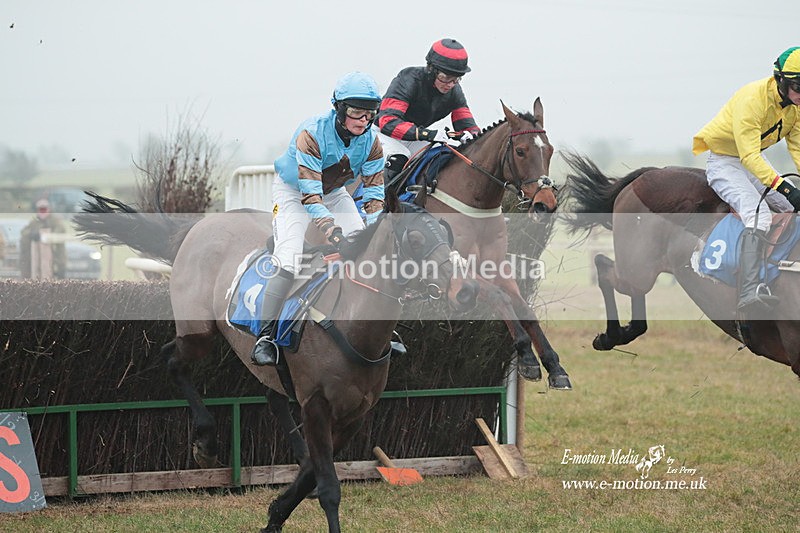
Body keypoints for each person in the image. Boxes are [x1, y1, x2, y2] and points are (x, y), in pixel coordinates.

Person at [251, 71, 386, 366]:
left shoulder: (372, 142)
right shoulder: (311, 133)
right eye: (356, 112)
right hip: (294, 192)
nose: (364, 120)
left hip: (334, 193)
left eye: (370, 113)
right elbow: (310, 198)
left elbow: (375, 196)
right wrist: (336, 236)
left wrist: (374, 232)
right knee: (289, 257)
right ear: (339, 109)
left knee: (365, 252)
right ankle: (265, 336)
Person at [693, 46, 800, 314]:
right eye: (798, 86)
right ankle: (749, 290)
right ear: (781, 81)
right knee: (759, 216)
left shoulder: (795, 108)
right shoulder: (752, 99)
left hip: (753, 163)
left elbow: (798, 150)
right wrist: (786, 188)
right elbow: (749, 155)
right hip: (725, 162)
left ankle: (779, 273)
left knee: (791, 209)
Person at [375, 38, 481, 182]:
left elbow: (468, 125)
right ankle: (376, 196)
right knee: (399, 157)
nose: (450, 85)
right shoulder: (408, 79)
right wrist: (427, 134)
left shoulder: (455, 92)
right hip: (381, 134)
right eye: (445, 77)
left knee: (443, 154)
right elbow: (388, 122)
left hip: (412, 137)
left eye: (456, 79)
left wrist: (473, 136)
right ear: (431, 70)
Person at [19, 199, 67, 279]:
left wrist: (42, 236)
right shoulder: (34, 222)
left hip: (56, 260)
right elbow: (24, 232)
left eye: (44, 209)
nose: (42, 212)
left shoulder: (55, 221)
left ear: (49, 209)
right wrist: (31, 233)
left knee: (56, 282)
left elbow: (59, 232)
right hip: (36, 260)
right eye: (40, 209)